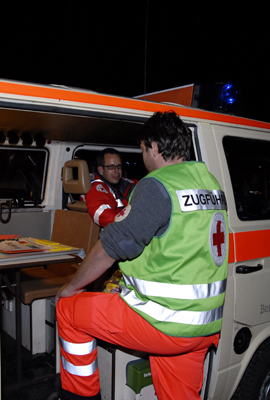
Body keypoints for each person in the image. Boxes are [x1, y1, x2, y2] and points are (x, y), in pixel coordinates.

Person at [55, 111, 229, 400]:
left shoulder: (157, 185)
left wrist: (70, 288)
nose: (143, 156)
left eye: (143, 149)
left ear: (155, 147)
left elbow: (112, 246)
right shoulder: (209, 182)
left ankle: (80, 396)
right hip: (204, 323)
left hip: (163, 320)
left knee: (69, 310)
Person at [86, 148, 135, 228]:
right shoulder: (97, 190)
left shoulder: (124, 183)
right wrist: (131, 224)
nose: (116, 171)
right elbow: (102, 214)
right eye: (111, 167)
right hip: (121, 232)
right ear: (101, 170)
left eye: (119, 166)